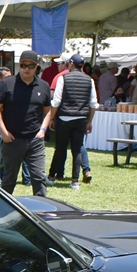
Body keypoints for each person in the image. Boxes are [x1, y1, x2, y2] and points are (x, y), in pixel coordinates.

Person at [0, 50, 52, 196]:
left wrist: (43, 130)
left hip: (35, 140)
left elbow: (48, 111)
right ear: (20, 65)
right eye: (23, 65)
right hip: (12, 139)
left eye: (30, 66)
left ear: (36, 67)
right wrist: (3, 132)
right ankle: (4, 212)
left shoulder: (43, 86)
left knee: (39, 177)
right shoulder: (7, 83)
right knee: (9, 179)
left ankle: (41, 212)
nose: (26, 69)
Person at [49, 53, 98, 188]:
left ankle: (52, 176)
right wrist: (89, 121)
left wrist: (52, 117)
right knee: (76, 149)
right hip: (81, 118)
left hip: (64, 117)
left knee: (60, 148)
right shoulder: (89, 80)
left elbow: (56, 101)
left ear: (71, 64)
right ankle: (75, 181)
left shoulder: (63, 78)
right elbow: (93, 104)